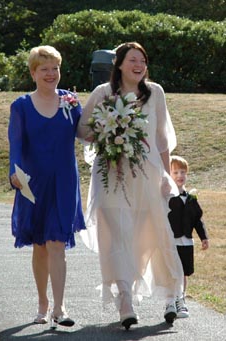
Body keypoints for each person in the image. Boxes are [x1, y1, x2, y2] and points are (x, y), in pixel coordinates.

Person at [77, 42, 184, 329]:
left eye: (143, 60)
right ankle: (125, 301)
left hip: (148, 176)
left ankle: (171, 297)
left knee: (157, 232)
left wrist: (167, 176)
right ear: (120, 64)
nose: (139, 65)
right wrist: (107, 134)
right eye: (133, 59)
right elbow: (82, 128)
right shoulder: (103, 93)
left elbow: (162, 139)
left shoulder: (156, 93)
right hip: (111, 175)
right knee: (116, 236)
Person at [8, 45, 86, 328]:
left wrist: (110, 129)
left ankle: (60, 307)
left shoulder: (71, 102)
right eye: (44, 69)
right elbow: (15, 145)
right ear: (33, 73)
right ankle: (42, 303)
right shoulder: (21, 106)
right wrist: (13, 173)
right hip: (33, 185)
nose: (51, 74)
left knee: (57, 245)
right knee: (40, 246)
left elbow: (85, 132)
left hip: (64, 183)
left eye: (55, 68)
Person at [168, 155, 209, 318]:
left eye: (183, 172)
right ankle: (170, 299)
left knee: (184, 272)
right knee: (171, 271)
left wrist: (203, 237)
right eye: (175, 172)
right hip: (170, 241)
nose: (180, 176)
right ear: (168, 174)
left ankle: (181, 299)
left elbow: (197, 220)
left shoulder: (191, 197)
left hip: (186, 241)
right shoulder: (166, 197)